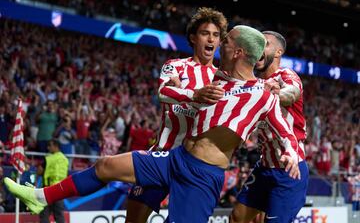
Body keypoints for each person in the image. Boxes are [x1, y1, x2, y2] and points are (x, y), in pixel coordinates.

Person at [4, 25, 300, 223]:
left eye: (226, 41)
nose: (219, 44)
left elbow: (284, 130)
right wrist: (191, 92)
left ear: (237, 52)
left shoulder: (262, 94)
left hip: (202, 176)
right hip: (174, 157)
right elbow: (168, 92)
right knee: (107, 165)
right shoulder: (217, 78)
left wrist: (289, 153)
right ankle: (40, 197)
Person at [126, 7, 228, 222]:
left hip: (195, 164)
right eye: (205, 33)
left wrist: (181, 92)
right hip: (162, 154)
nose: (211, 39)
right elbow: (163, 92)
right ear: (193, 38)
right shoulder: (175, 66)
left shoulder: (223, 79)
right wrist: (196, 95)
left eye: (216, 35)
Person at [229, 31, 309, 223]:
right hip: (264, 166)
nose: (257, 48)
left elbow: (292, 93)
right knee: (237, 217)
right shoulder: (254, 83)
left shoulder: (286, 75)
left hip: (289, 168)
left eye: (264, 44)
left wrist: (275, 95)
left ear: (279, 52)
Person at [38, 140, 69, 223]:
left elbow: (39, 171)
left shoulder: (49, 158)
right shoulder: (65, 159)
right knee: (59, 215)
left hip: (48, 190)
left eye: (50, 145)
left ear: (56, 146)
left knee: (44, 214)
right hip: (60, 190)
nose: (48, 147)